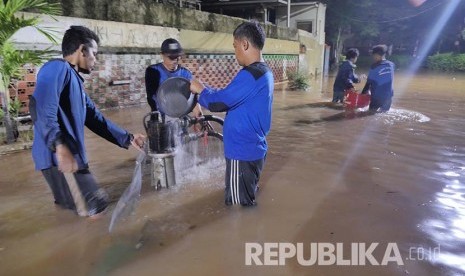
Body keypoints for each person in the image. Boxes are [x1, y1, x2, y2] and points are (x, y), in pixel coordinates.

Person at [30, 26, 145, 217]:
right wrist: (59, 146)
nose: (95, 60)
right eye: (94, 53)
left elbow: (95, 119)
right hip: (59, 158)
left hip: (69, 158)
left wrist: (129, 138)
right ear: (82, 50)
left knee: (77, 212)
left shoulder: (75, 82)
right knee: (96, 209)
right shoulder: (56, 68)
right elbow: (39, 107)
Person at [190, 21, 273, 207]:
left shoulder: (250, 75)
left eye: (235, 46)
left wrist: (201, 90)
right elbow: (230, 96)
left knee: (238, 209)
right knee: (246, 198)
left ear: (244, 45)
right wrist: (207, 90)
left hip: (241, 152)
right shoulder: (263, 72)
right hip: (252, 148)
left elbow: (219, 102)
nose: (235, 52)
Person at [145, 38, 202, 119]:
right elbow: (152, 97)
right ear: (162, 55)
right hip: (160, 117)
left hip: (180, 116)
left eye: (177, 57)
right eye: (171, 58)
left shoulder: (185, 73)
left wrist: (199, 116)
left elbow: (192, 98)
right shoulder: (153, 71)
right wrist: (159, 117)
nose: (175, 61)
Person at [361, 45, 395, 112]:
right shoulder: (392, 64)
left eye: (373, 55)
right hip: (388, 96)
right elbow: (383, 77)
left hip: (377, 97)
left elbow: (368, 83)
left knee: (370, 114)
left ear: (376, 55)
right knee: (384, 114)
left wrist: (362, 95)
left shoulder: (374, 66)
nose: (373, 57)